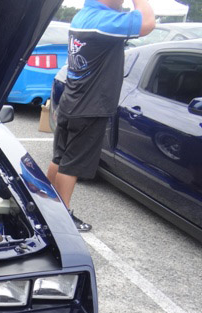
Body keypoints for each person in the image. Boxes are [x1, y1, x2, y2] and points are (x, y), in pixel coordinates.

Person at [47, 0, 155, 232]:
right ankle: (61, 220)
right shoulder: (103, 21)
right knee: (72, 165)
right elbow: (147, 22)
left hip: (71, 101)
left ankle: (45, 207)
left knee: (60, 158)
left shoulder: (83, 16)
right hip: (89, 107)